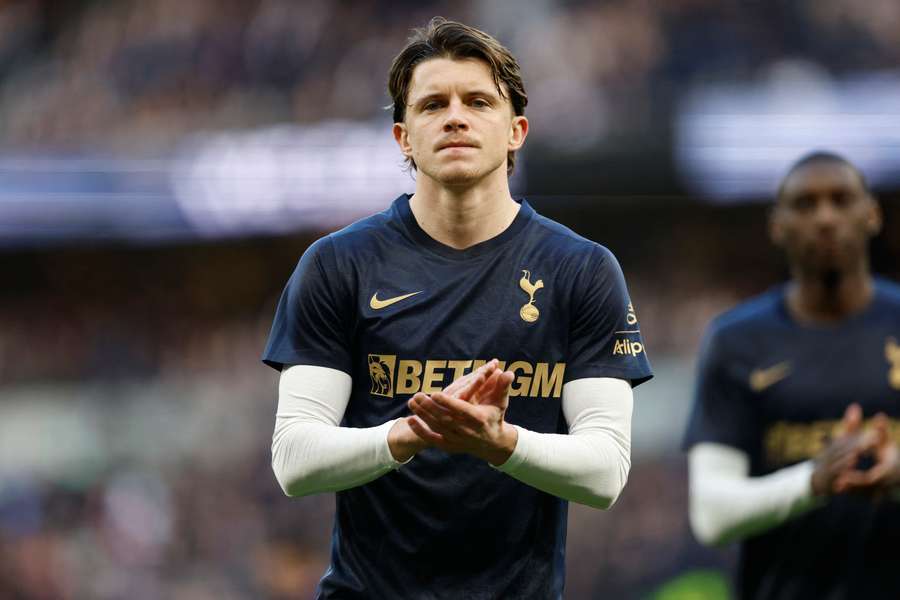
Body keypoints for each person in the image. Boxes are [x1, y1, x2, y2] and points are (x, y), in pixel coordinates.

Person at [261, 17, 652, 599]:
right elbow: (294, 460)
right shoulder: (338, 264)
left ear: (516, 131)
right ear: (403, 137)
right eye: (432, 104)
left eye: (478, 101)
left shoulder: (583, 270)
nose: (455, 117)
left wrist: (500, 443)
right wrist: (412, 433)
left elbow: (605, 472)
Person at [683, 151, 900, 600]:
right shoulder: (736, 341)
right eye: (805, 204)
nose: (825, 218)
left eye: (841, 199)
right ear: (777, 226)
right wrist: (813, 481)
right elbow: (711, 515)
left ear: (872, 214)